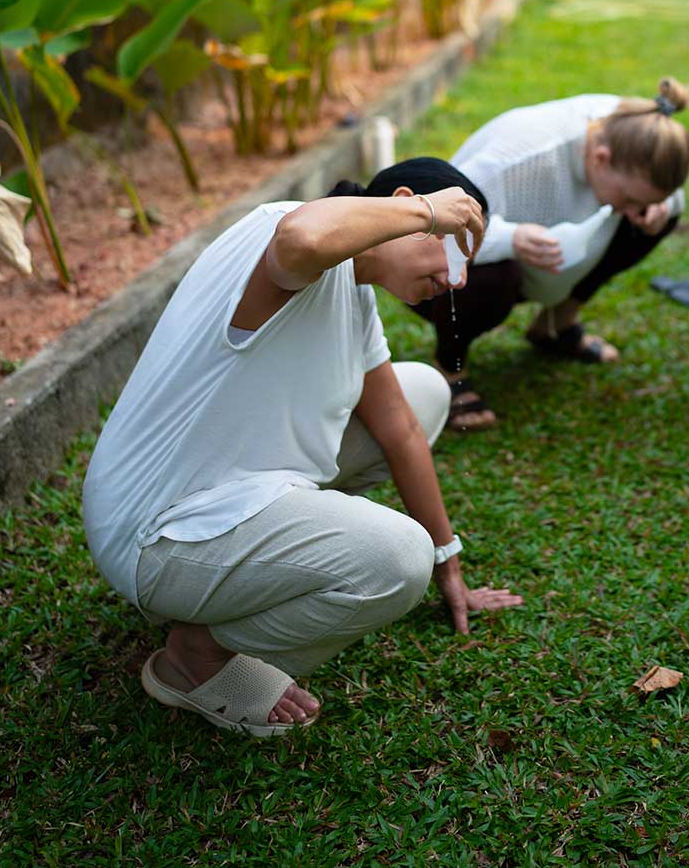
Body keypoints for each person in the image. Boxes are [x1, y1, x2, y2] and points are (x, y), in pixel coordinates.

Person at [82, 158, 522, 738]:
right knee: (397, 560)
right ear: (409, 209)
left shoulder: (355, 292)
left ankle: (245, 581)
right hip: (156, 533)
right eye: (457, 249)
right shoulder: (287, 229)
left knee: (421, 395)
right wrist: (426, 211)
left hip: (229, 496)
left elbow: (399, 426)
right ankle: (195, 654)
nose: (458, 279)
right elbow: (304, 237)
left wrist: (449, 561)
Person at [413, 81, 689, 430]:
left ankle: (555, 326)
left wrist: (661, 207)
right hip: (434, 271)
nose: (635, 209)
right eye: (631, 198)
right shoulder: (522, 154)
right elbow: (429, 227)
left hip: (542, 257)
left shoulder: (639, 126)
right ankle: (449, 371)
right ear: (601, 159)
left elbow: (663, 192)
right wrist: (510, 238)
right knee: (497, 273)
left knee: (655, 220)